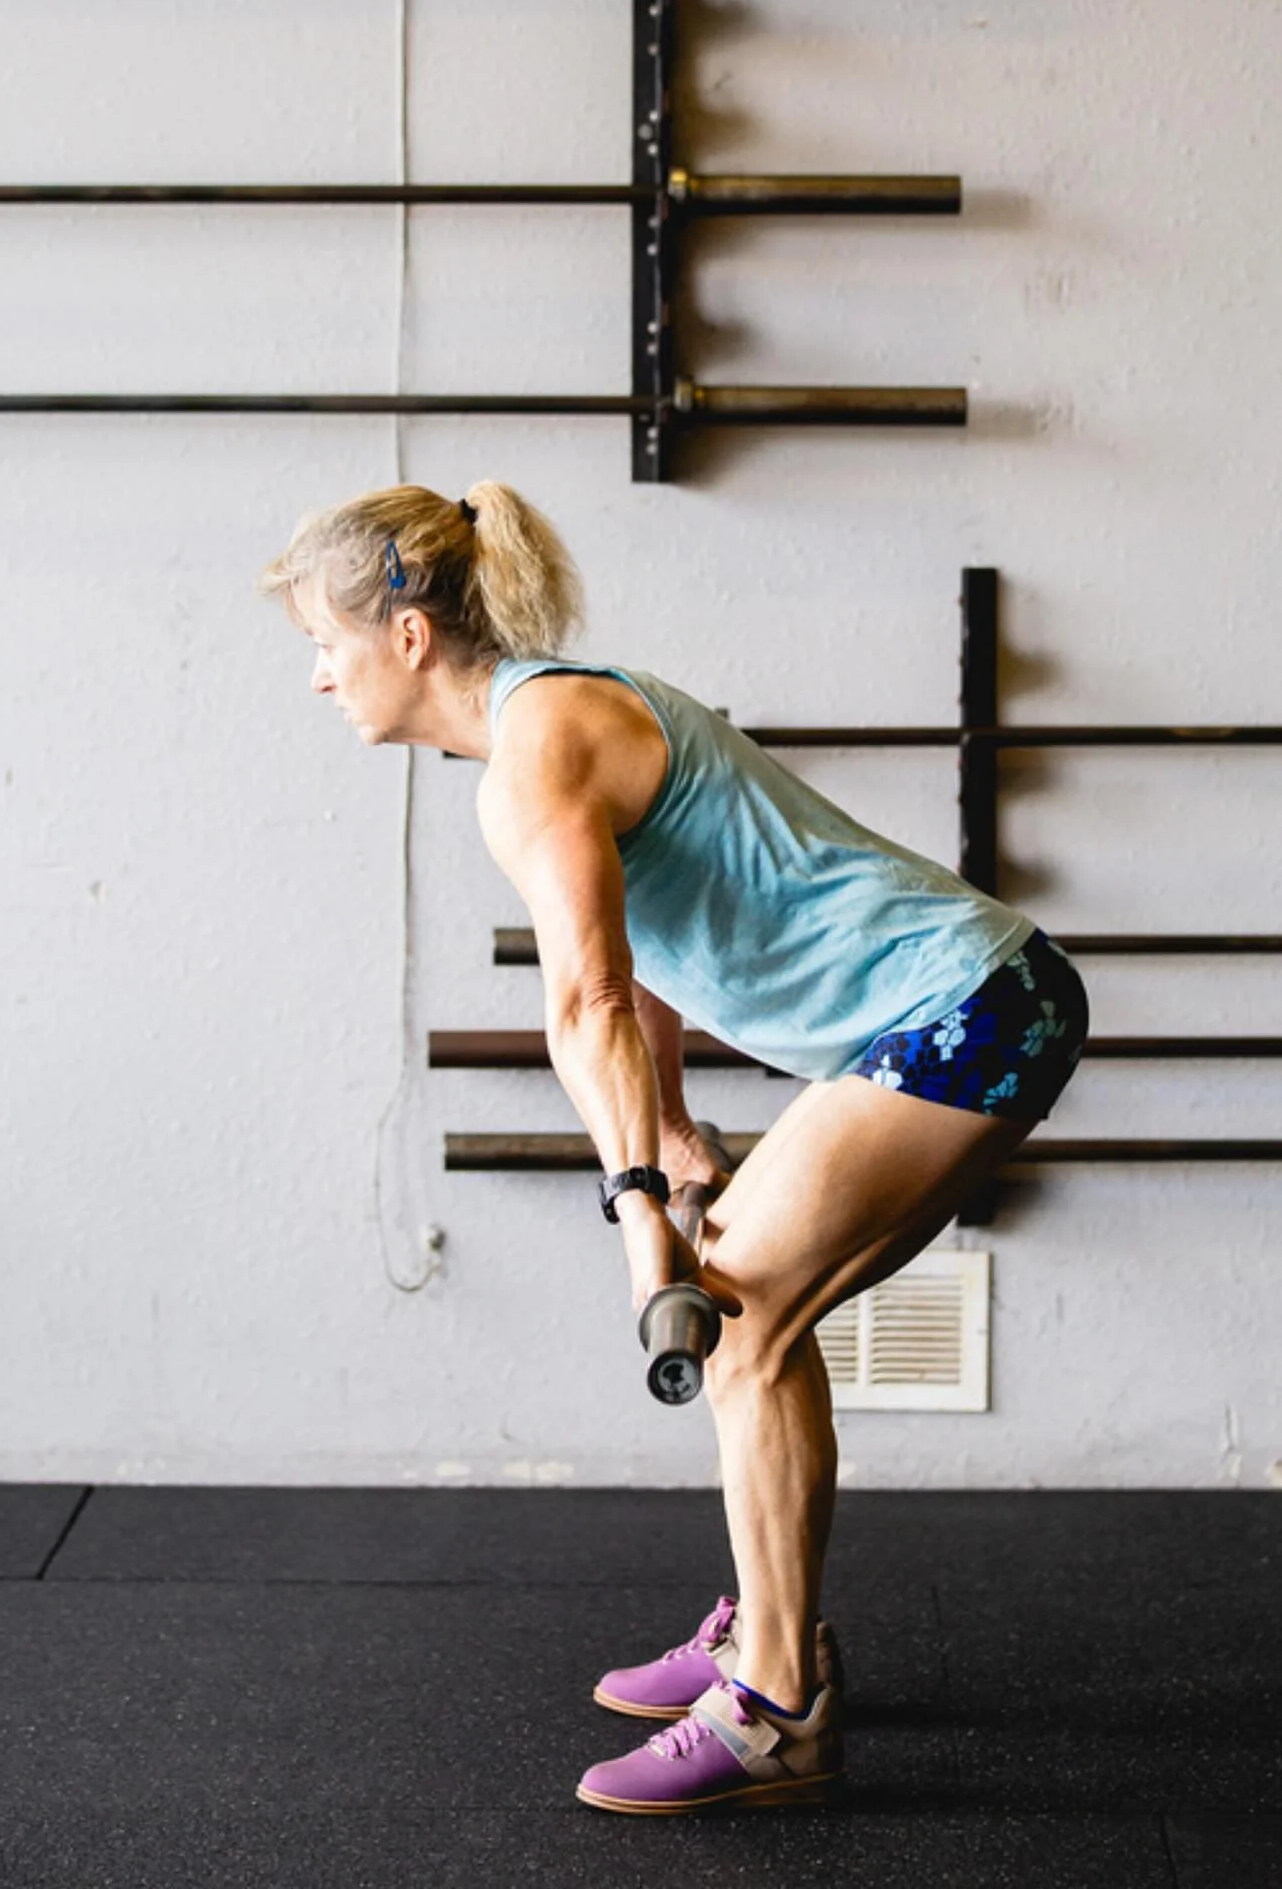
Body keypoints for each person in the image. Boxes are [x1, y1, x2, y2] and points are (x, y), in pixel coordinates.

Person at [258, 479, 1089, 1815]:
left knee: (744, 1312)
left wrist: (639, 1202)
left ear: (407, 635)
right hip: (979, 1002)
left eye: (323, 642)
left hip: (969, 1009)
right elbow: (638, 971)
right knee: (764, 1309)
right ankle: (776, 1621)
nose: (316, 679)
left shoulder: (539, 745)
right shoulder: (546, 723)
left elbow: (582, 1001)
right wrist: (679, 1133)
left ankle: (773, 1706)